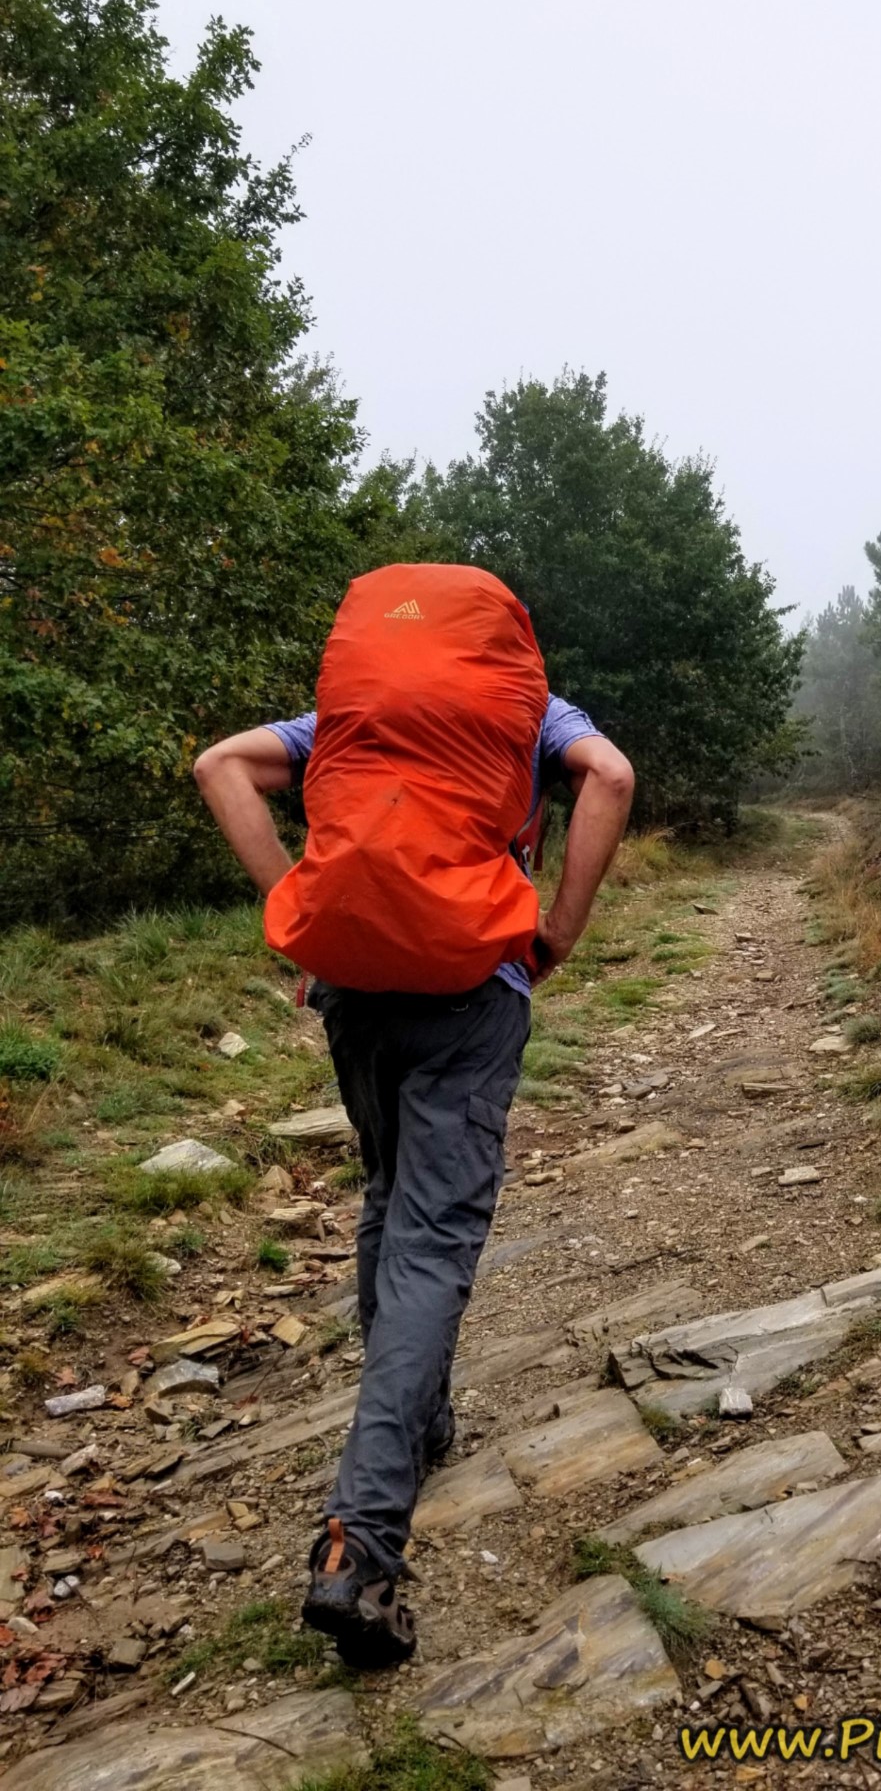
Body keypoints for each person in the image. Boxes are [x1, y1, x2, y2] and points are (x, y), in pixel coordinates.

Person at [194, 692, 633, 1665]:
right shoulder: (534, 713)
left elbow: (219, 765)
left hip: (356, 989)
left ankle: (422, 1419)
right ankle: (362, 1545)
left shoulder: (351, 715)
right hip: (475, 989)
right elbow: (611, 775)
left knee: (390, 1192)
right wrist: (557, 929)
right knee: (432, 1235)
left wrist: (301, 923)